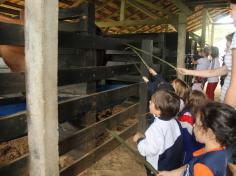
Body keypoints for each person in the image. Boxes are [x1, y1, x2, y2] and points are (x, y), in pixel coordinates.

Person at [157, 102, 236, 176]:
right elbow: (190, 166)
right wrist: (170, 173)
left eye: (197, 124)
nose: (193, 126)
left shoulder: (203, 167)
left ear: (210, 133)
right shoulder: (220, 150)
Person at [133, 90, 183, 176]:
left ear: (158, 111)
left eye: (152, 102)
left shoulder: (155, 129)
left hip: (158, 169)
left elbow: (150, 150)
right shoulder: (175, 122)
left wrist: (139, 140)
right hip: (172, 164)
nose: (149, 101)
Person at [177, 33, 233, 103]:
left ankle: (209, 104)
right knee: (207, 93)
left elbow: (211, 72)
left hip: (212, 80)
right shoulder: (212, 60)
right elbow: (210, 72)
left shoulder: (213, 60)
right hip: (209, 79)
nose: (225, 50)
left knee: (209, 94)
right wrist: (187, 71)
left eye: (227, 47)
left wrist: (188, 70)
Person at [178, 90, 208, 164]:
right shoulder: (202, 112)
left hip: (189, 149)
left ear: (190, 101)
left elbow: (185, 136)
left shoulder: (187, 115)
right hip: (198, 146)